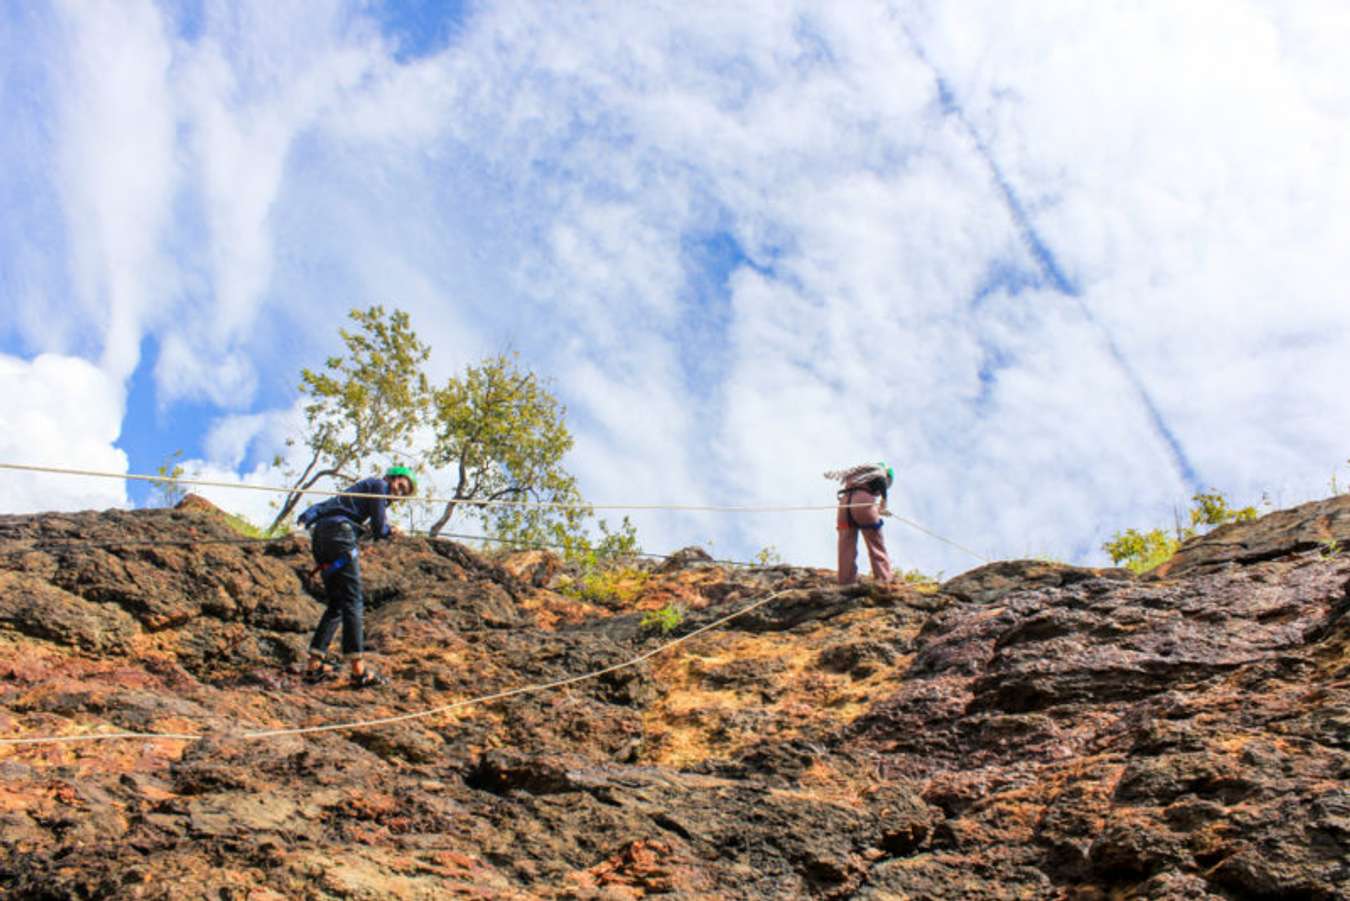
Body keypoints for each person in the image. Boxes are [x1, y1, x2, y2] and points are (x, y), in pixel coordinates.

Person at [297, 465, 417, 687]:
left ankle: (313, 666)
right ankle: (358, 670)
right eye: (400, 486)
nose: (398, 493)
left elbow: (324, 506)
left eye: (403, 492)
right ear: (393, 477)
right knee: (353, 600)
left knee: (337, 604)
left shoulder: (361, 491)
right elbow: (380, 528)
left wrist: (306, 518)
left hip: (321, 539)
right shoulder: (379, 485)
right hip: (340, 535)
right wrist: (391, 531)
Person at [826, 462, 894, 585]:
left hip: (844, 504)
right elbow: (881, 481)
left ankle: (846, 581)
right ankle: (884, 579)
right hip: (863, 502)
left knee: (845, 544)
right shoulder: (880, 472)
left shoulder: (856, 475)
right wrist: (884, 501)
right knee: (875, 541)